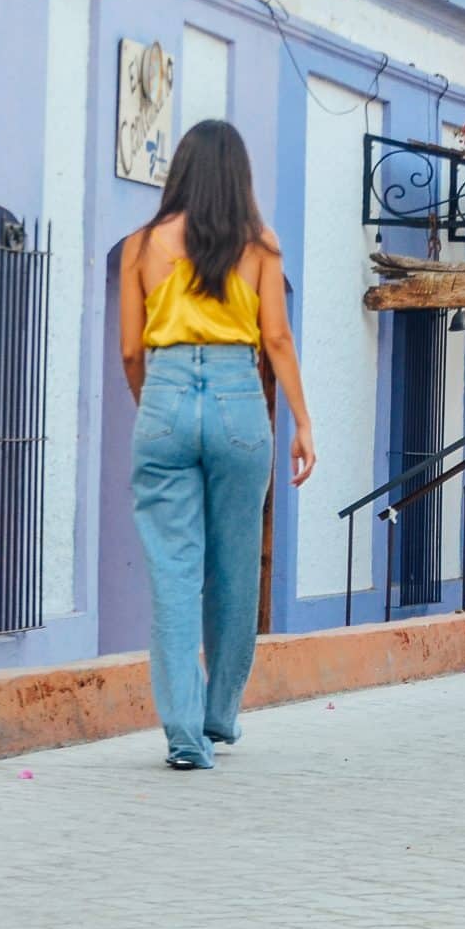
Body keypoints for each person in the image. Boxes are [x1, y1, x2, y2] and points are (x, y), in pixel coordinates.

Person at [117, 119, 315, 770]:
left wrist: (156, 403)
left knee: (173, 575)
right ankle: (219, 715)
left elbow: (129, 348)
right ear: (239, 178)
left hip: (166, 393)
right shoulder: (260, 244)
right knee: (232, 569)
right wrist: (302, 423)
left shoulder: (140, 245)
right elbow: (278, 340)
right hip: (236, 397)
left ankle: (183, 734)